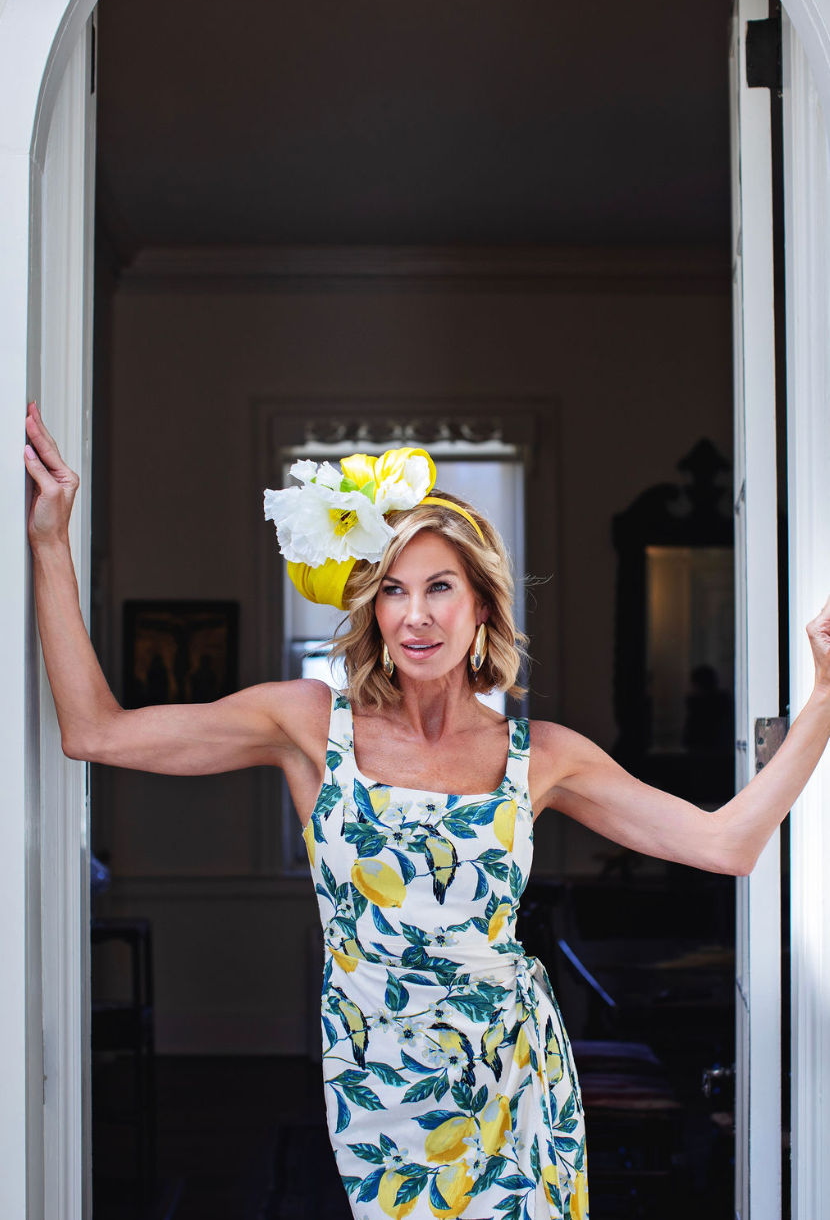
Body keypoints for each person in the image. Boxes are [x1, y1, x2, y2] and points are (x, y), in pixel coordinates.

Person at [23, 401, 830, 1220]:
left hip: (515, 1079)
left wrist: (825, 699)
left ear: (481, 606)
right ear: (372, 610)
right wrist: (50, 540)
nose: (416, 615)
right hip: (381, 1088)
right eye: (394, 591)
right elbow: (95, 730)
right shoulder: (308, 724)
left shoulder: (541, 755)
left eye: (441, 587)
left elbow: (729, 843)